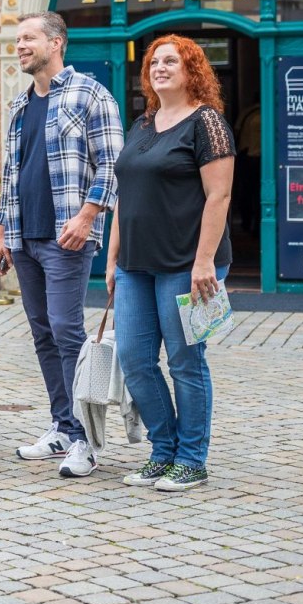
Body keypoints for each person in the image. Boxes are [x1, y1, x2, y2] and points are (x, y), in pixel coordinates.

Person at [0, 11, 123, 478]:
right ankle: (63, 426)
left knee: (68, 330)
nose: (21, 45)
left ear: (56, 42)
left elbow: (113, 164)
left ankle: (86, 442)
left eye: (29, 38)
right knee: (43, 333)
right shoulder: (20, 105)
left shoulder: (89, 94)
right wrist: (5, 235)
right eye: (17, 39)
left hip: (67, 236)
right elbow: (11, 175)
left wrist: (88, 216)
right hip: (25, 237)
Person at [107, 36, 234, 492]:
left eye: (171, 61)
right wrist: (113, 256)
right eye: (154, 61)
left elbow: (219, 196)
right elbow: (125, 194)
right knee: (135, 359)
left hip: (186, 263)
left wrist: (204, 262)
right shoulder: (144, 123)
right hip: (136, 264)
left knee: (184, 360)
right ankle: (163, 452)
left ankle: (192, 459)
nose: (160, 68)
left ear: (191, 69)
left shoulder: (208, 123)